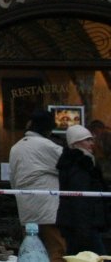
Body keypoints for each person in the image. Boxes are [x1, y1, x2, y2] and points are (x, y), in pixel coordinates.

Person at [8, 109, 65, 259]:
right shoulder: (48, 147)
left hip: (26, 211)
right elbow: (70, 168)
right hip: (49, 213)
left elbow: (12, 181)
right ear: (47, 129)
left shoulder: (15, 148)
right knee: (55, 251)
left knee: (32, 254)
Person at [56, 124, 109, 255]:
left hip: (80, 225)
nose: (92, 143)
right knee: (99, 257)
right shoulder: (79, 164)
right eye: (87, 140)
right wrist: (84, 230)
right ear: (76, 143)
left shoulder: (80, 162)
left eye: (92, 139)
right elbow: (80, 199)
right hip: (83, 226)